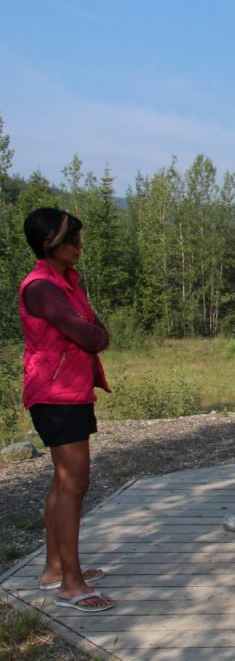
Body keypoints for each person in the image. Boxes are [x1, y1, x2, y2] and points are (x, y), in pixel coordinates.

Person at [20, 208, 114, 612]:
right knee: (73, 485)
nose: (80, 246)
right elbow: (88, 334)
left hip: (66, 392)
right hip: (55, 394)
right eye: (73, 240)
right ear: (49, 246)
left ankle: (55, 568)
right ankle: (71, 586)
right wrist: (95, 334)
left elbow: (92, 329)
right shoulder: (42, 287)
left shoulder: (63, 281)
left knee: (63, 484)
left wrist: (95, 332)